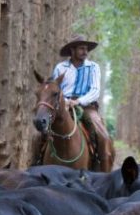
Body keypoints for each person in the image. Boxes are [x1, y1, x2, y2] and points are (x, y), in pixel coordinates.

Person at [48, 34, 112, 165]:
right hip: (62, 107)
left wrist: (78, 101)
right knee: (39, 135)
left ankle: (103, 173)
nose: (85, 52)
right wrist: (65, 102)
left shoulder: (93, 67)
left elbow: (95, 90)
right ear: (72, 50)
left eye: (86, 49)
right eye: (82, 49)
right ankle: (36, 162)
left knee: (103, 137)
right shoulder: (60, 68)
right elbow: (54, 89)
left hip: (87, 107)